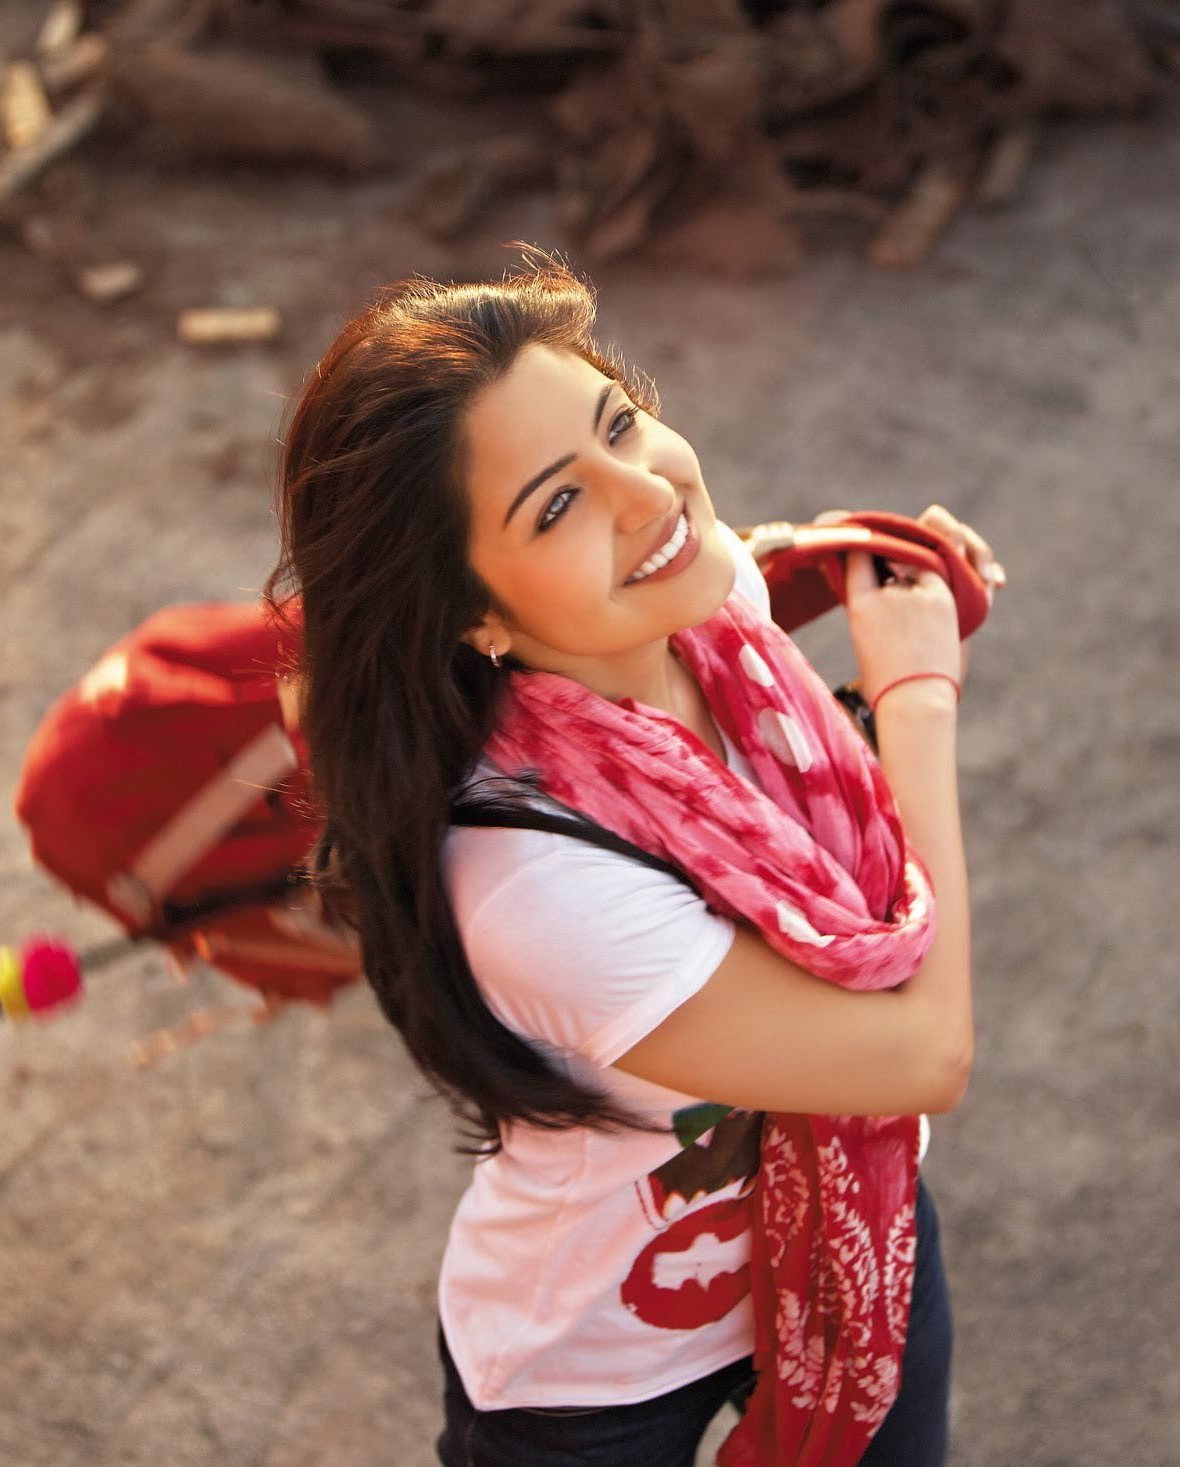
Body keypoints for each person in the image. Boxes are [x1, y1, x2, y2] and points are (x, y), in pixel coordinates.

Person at [265, 248, 1001, 1467]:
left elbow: (745, 648)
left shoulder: (716, 621)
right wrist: (915, 698)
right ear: (474, 615)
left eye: (620, 422)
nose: (647, 495)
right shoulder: (533, 886)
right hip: (596, 1363)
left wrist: (871, 584)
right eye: (555, 504)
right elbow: (925, 1052)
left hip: (846, 1234)